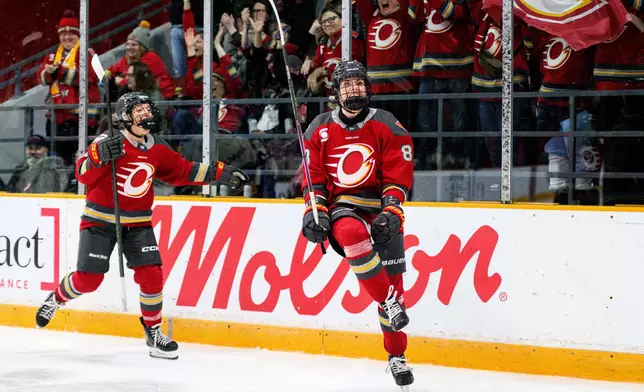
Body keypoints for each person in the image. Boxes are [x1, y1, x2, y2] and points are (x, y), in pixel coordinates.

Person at [34, 92, 250, 360]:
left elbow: (181, 170)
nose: (146, 115)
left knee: (152, 277)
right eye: (139, 112)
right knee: (89, 280)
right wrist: (99, 155)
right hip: (100, 220)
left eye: (148, 110)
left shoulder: (156, 147)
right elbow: (82, 173)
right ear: (125, 118)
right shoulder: (108, 141)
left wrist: (219, 173)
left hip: (137, 223)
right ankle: (56, 298)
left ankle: (153, 331)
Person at [300, 60, 414, 389]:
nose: (354, 91)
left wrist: (392, 212)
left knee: (396, 285)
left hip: (379, 208)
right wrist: (313, 211)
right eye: (347, 86)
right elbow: (315, 179)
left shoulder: (387, 124)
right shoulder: (319, 128)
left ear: (368, 88)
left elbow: (398, 173)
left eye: (359, 85)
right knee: (351, 234)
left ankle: (397, 356)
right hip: (343, 207)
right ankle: (387, 301)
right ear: (335, 93)